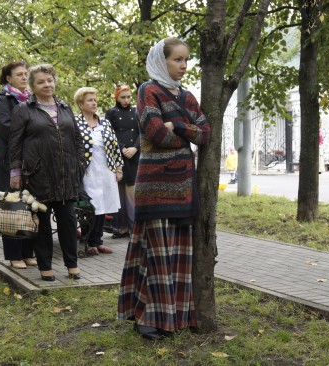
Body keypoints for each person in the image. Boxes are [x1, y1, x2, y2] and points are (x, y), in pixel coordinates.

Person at [117, 37, 211, 340]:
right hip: (154, 186)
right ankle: (147, 318)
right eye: (177, 60)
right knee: (156, 256)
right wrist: (186, 133)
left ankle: (172, 318)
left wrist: (179, 127)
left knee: (178, 257)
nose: (183, 66)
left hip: (183, 187)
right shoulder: (148, 90)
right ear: (162, 60)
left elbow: (206, 133)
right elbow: (155, 132)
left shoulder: (188, 96)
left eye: (186, 60)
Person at [10, 63, 86, 281]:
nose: (47, 84)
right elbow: (14, 144)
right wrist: (16, 173)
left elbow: (77, 138)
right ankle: (45, 267)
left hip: (66, 176)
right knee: (42, 224)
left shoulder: (64, 106)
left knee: (68, 222)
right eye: (41, 82)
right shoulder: (24, 109)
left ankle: (72, 264)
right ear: (33, 86)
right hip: (38, 176)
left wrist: (79, 163)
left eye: (50, 80)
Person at [0, 61, 36, 270]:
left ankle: (28, 252)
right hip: (9, 162)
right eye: (19, 74)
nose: (25, 77)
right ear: (8, 78)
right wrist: (34, 132)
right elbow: (8, 128)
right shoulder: (2, 100)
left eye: (26, 74)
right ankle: (14, 255)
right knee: (11, 207)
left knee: (28, 206)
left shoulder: (32, 99)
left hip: (30, 161)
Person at [74, 87, 123, 255]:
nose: (94, 103)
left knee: (104, 204)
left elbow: (115, 146)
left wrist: (118, 168)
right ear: (81, 104)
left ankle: (98, 241)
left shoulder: (105, 123)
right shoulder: (75, 122)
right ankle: (89, 241)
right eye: (89, 100)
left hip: (106, 168)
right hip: (88, 170)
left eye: (95, 100)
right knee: (91, 206)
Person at [105, 83, 140, 239]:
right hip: (118, 156)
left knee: (131, 194)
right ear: (117, 97)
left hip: (134, 156)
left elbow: (142, 132)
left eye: (128, 97)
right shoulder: (111, 113)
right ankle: (121, 227)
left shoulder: (136, 112)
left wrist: (135, 148)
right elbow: (108, 134)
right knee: (119, 193)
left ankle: (134, 227)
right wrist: (122, 148)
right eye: (123, 97)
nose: (126, 100)